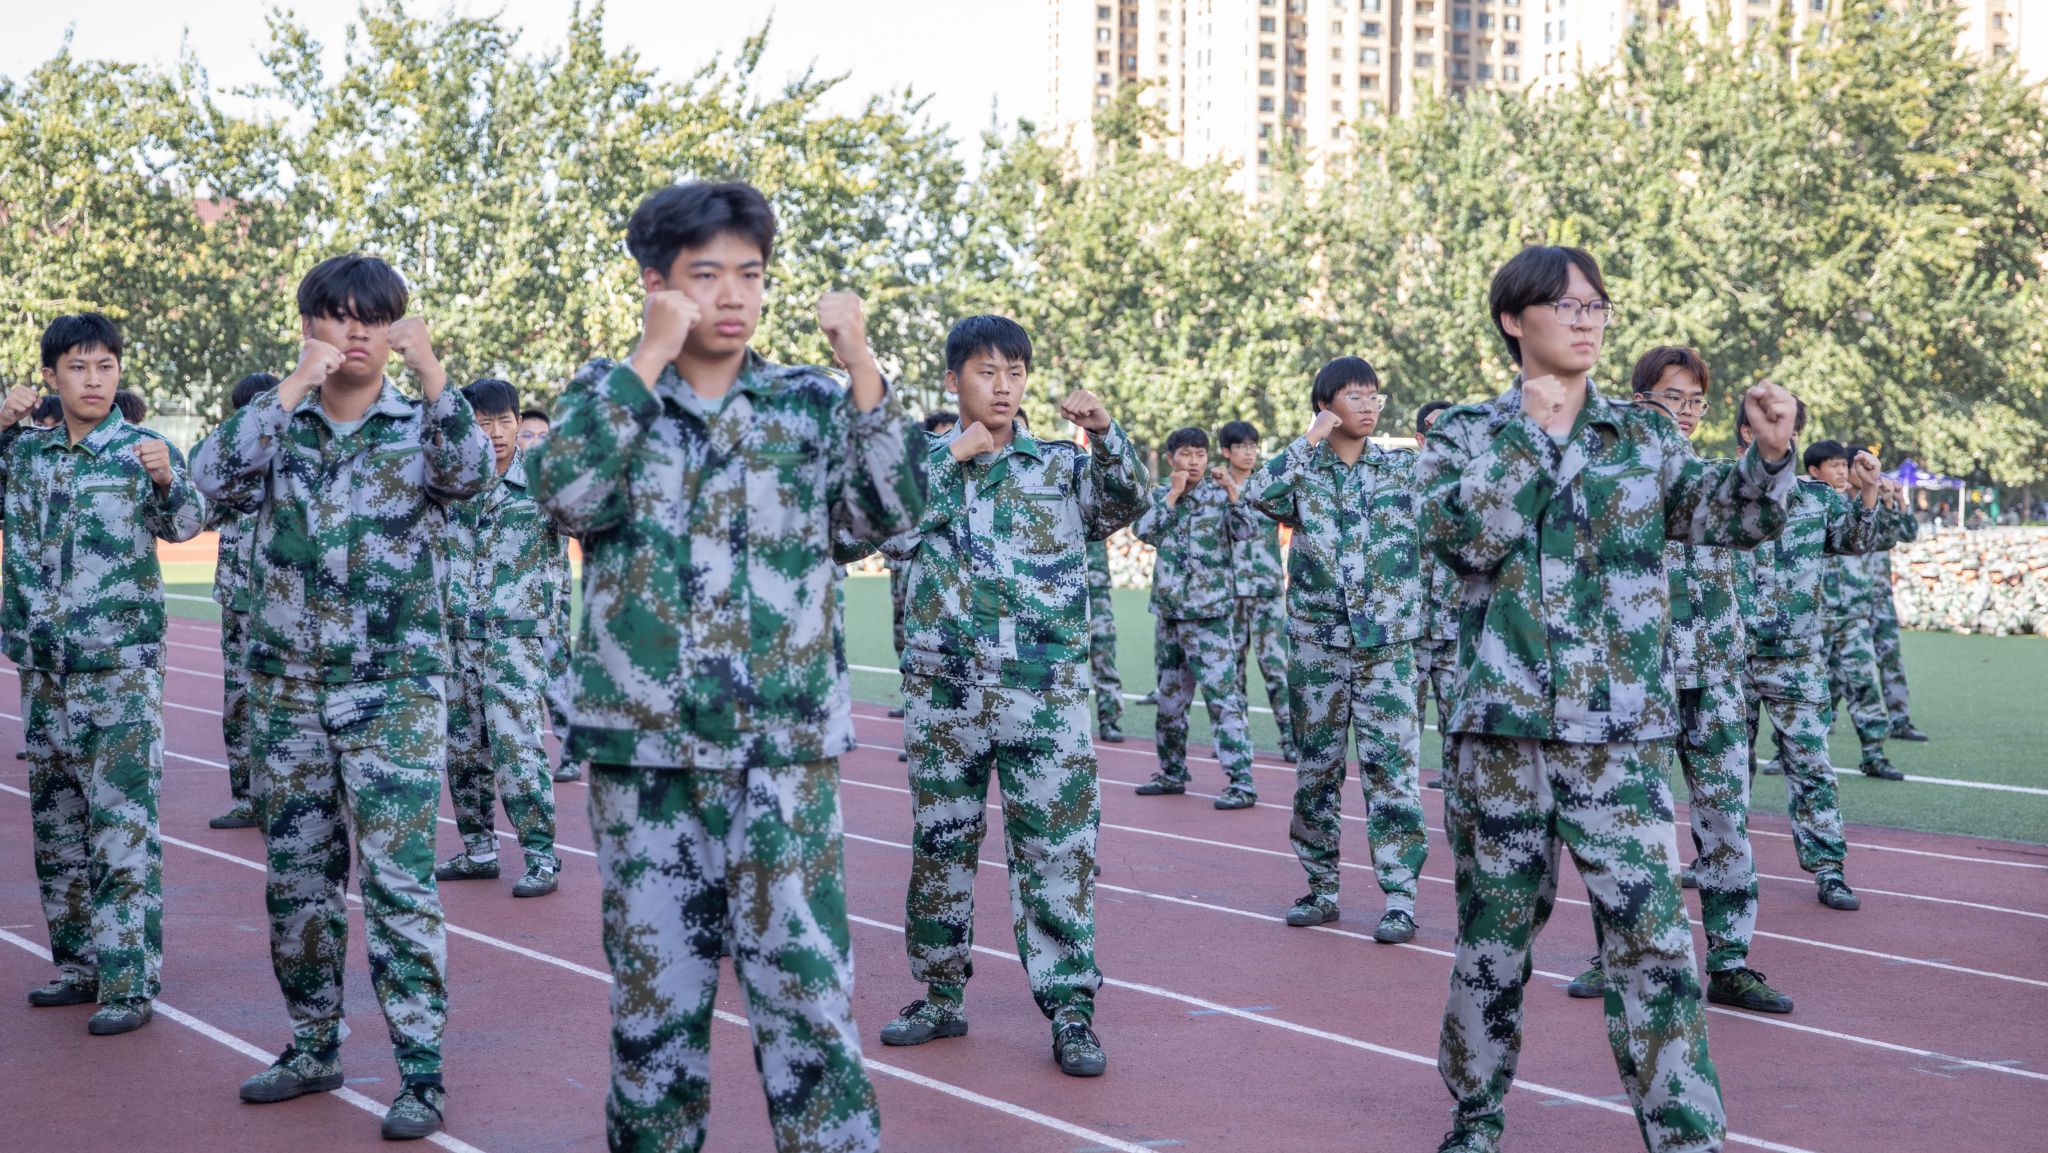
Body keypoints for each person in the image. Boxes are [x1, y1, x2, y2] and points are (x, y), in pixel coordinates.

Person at [529, 181, 918, 1153]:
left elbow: (888, 514)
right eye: (706, 274)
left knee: (809, 1005)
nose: (734, 295)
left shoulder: (809, 403)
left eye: (750, 272)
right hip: (646, 764)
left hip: (780, 758)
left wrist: (863, 366)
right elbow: (565, 495)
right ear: (654, 281)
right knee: (653, 1018)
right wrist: (647, 359)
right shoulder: (607, 396)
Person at [1418, 246, 1802, 1153]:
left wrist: (1769, 455)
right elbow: (1466, 539)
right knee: (1493, 942)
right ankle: (1475, 1115)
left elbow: (1728, 516)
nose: (1587, 320)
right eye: (1567, 306)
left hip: (1619, 738)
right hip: (1502, 737)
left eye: (1597, 305)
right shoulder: (1464, 434)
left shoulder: (1644, 435)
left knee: (1656, 944)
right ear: (1514, 320)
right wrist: (1533, 434)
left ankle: (1687, 1135)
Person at [193, 253, 492, 1140]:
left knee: (399, 886)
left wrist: (434, 373)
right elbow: (206, 483)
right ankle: (313, 1044)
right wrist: (290, 387)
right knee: (298, 882)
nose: (356, 332)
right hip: (287, 692)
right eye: (338, 315)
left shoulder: (424, 423)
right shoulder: (275, 424)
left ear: (395, 329)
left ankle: (421, 1072)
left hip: (394, 693)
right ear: (309, 325)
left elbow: (472, 476)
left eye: (374, 317)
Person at [878, 313, 1145, 1079]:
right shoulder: (922, 466)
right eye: (987, 371)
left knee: (1058, 852)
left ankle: (1071, 1010)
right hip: (947, 692)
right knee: (941, 846)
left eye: (1016, 372)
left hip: (1044, 692)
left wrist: (1107, 433)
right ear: (953, 379)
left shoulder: (1059, 465)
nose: (1004, 386)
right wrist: (951, 457)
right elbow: (885, 529)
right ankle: (940, 994)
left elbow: (1124, 504)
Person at [1563, 346, 1792, 1016]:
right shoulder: (1612, 479)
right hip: (1641, 681)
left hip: (1715, 678)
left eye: (1696, 400)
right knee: (1630, 828)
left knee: (1726, 823)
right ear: (1640, 401)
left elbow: (1757, 502)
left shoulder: (1717, 482)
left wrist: (1773, 448)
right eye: (1673, 397)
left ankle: (1730, 962)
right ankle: (1618, 955)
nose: (1687, 411)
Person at [5, 312, 204, 1037]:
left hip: (119, 670)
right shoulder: (25, 454)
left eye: (106, 366)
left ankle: (128, 979)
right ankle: (79, 964)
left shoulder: (143, 448)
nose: (94, 380)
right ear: (50, 376)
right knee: (57, 824)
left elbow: (188, 523)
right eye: (78, 367)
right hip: (45, 669)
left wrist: (167, 481)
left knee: (121, 826)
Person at [1248, 358, 1429, 944]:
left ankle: (1400, 897)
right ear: (1325, 406)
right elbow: (1256, 493)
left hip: (1387, 649)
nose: (1369, 406)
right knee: (1317, 771)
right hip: (1318, 648)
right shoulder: (1303, 473)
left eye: (1375, 396)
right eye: (1355, 396)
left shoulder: (1401, 469)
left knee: (1392, 773)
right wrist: (1308, 441)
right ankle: (1321, 887)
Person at [1736, 425, 1898, 914]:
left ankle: (1829, 869)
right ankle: (1716, 863)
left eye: (1787, 431)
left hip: (1796, 660)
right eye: (1768, 429)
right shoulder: (1723, 493)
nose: (1778, 440)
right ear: (1748, 434)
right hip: (1729, 657)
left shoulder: (1816, 498)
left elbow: (1858, 540)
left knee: (1811, 767)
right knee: (1725, 772)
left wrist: (1868, 490)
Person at [432, 378, 566, 898]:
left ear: (518, 422)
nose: (496, 433)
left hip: (515, 641)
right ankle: (478, 850)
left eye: (505, 421)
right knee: (463, 750)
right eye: (483, 423)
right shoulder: (450, 481)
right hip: (456, 639)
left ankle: (540, 857)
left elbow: (588, 518)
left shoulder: (543, 480)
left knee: (517, 750)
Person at [1133, 427, 1259, 808]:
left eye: (1200, 455)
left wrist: (1233, 491)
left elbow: (1247, 530)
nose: (1193, 462)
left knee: (1223, 700)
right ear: (1170, 458)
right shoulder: (1160, 497)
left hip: (1210, 618)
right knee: (1170, 703)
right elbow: (1143, 531)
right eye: (1186, 454)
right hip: (1170, 616)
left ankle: (1242, 783)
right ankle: (1172, 773)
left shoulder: (1220, 496)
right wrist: (1172, 495)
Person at [203, 371, 280, 830]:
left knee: (287, 706)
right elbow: (195, 512)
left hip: (285, 611)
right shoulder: (232, 472)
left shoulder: (295, 468)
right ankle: (247, 799)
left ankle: (288, 798)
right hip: (238, 606)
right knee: (238, 704)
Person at [1812, 446, 1916, 781]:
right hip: (1816, 617)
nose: (1843, 472)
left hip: (1854, 616)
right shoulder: (1809, 505)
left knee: (1865, 686)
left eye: (1845, 466)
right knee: (1811, 690)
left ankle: (1874, 754)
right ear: (1814, 471)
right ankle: (1790, 754)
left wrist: (1888, 501)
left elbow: (1890, 538)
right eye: (1835, 466)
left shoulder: (1860, 508)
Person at [1217, 420, 1295, 762]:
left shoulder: (1268, 484)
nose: (1249, 453)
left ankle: (1291, 739)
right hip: (1228, 590)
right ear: (1226, 451)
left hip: (1265, 589)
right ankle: (1236, 742)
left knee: (1276, 667)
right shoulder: (1214, 487)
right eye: (1241, 447)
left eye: (1253, 446)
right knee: (1231, 670)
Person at [883, 409, 958, 733]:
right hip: (901, 568)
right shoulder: (917, 469)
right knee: (903, 634)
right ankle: (914, 704)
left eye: (951, 435)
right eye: (940, 436)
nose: (948, 442)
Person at [1412, 399, 1458, 791]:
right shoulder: (1401, 484)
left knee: (1457, 718)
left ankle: (1456, 782)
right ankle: (1400, 788)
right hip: (1409, 628)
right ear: (1420, 439)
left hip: (1455, 628)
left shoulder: (1472, 486)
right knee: (1402, 721)